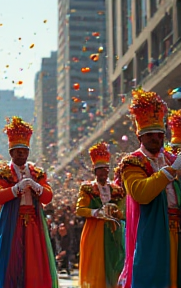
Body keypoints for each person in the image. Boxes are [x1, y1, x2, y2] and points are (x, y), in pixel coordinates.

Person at [117, 88, 181, 288]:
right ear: (140, 137)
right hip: (152, 230)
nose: (157, 139)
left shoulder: (171, 158)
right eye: (151, 135)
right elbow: (141, 193)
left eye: (160, 134)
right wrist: (170, 171)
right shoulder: (132, 162)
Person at [0, 116, 58, 288]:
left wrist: (36, 186)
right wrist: (16, 189)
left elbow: (48, 197)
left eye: (25, 150)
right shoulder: (2, 173)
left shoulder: (37, 173)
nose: (22, 154)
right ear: (11, 152)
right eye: (18, 150)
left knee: (34, 258)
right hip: (12, 222)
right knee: (11, 257)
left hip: (33, 222)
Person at [76, 141, 125, 288]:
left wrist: (116, 212)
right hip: (94, 230)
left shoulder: (116, 189)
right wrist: (97, 212)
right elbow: (80, 209)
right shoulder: (88, 189)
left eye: (105, 169)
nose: (103, 172)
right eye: (99, 169)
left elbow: (123, 211)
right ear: (94, 171)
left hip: (113, 230)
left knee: (115, 259)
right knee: (96, 263)